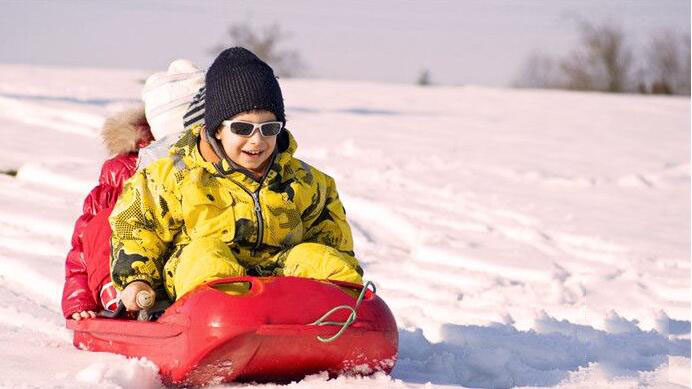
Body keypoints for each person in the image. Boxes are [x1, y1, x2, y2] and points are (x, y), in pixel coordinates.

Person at [110, 47, 364, 312]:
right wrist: (137, 281)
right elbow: (138, 227)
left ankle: (344, 318)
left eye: (269, 128)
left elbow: (333, 243)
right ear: (218, 129)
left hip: (280, 278)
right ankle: (225, 318)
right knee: (206, 256)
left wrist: (339, 272)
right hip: (199, 285)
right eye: (243, 128)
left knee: (320, 259)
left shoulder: (306, 182)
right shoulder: (173, 176)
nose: (257, 140)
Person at [61, 60, 204, 320]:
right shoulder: (123, 172)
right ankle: (121, 296)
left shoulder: (212, 165)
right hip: (125, 275)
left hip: (185, 274)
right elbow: (84, 240)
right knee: (107, 222)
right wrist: (79, 299)